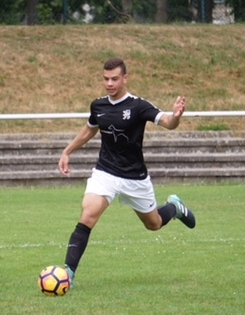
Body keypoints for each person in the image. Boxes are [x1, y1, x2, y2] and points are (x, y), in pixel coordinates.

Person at [58, 57, 196, 289]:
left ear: (125, 78)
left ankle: (174, 207)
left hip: (134, 178)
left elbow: (167, 122)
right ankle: (68, 274)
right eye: (105, 79)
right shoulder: (98, 106)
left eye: (114, 79)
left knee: (153, 224)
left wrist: (175, 117)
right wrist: (67, 151)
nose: (109, 83)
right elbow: (89, 129)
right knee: (88, 215)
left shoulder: (138, 106)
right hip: (106, 172)